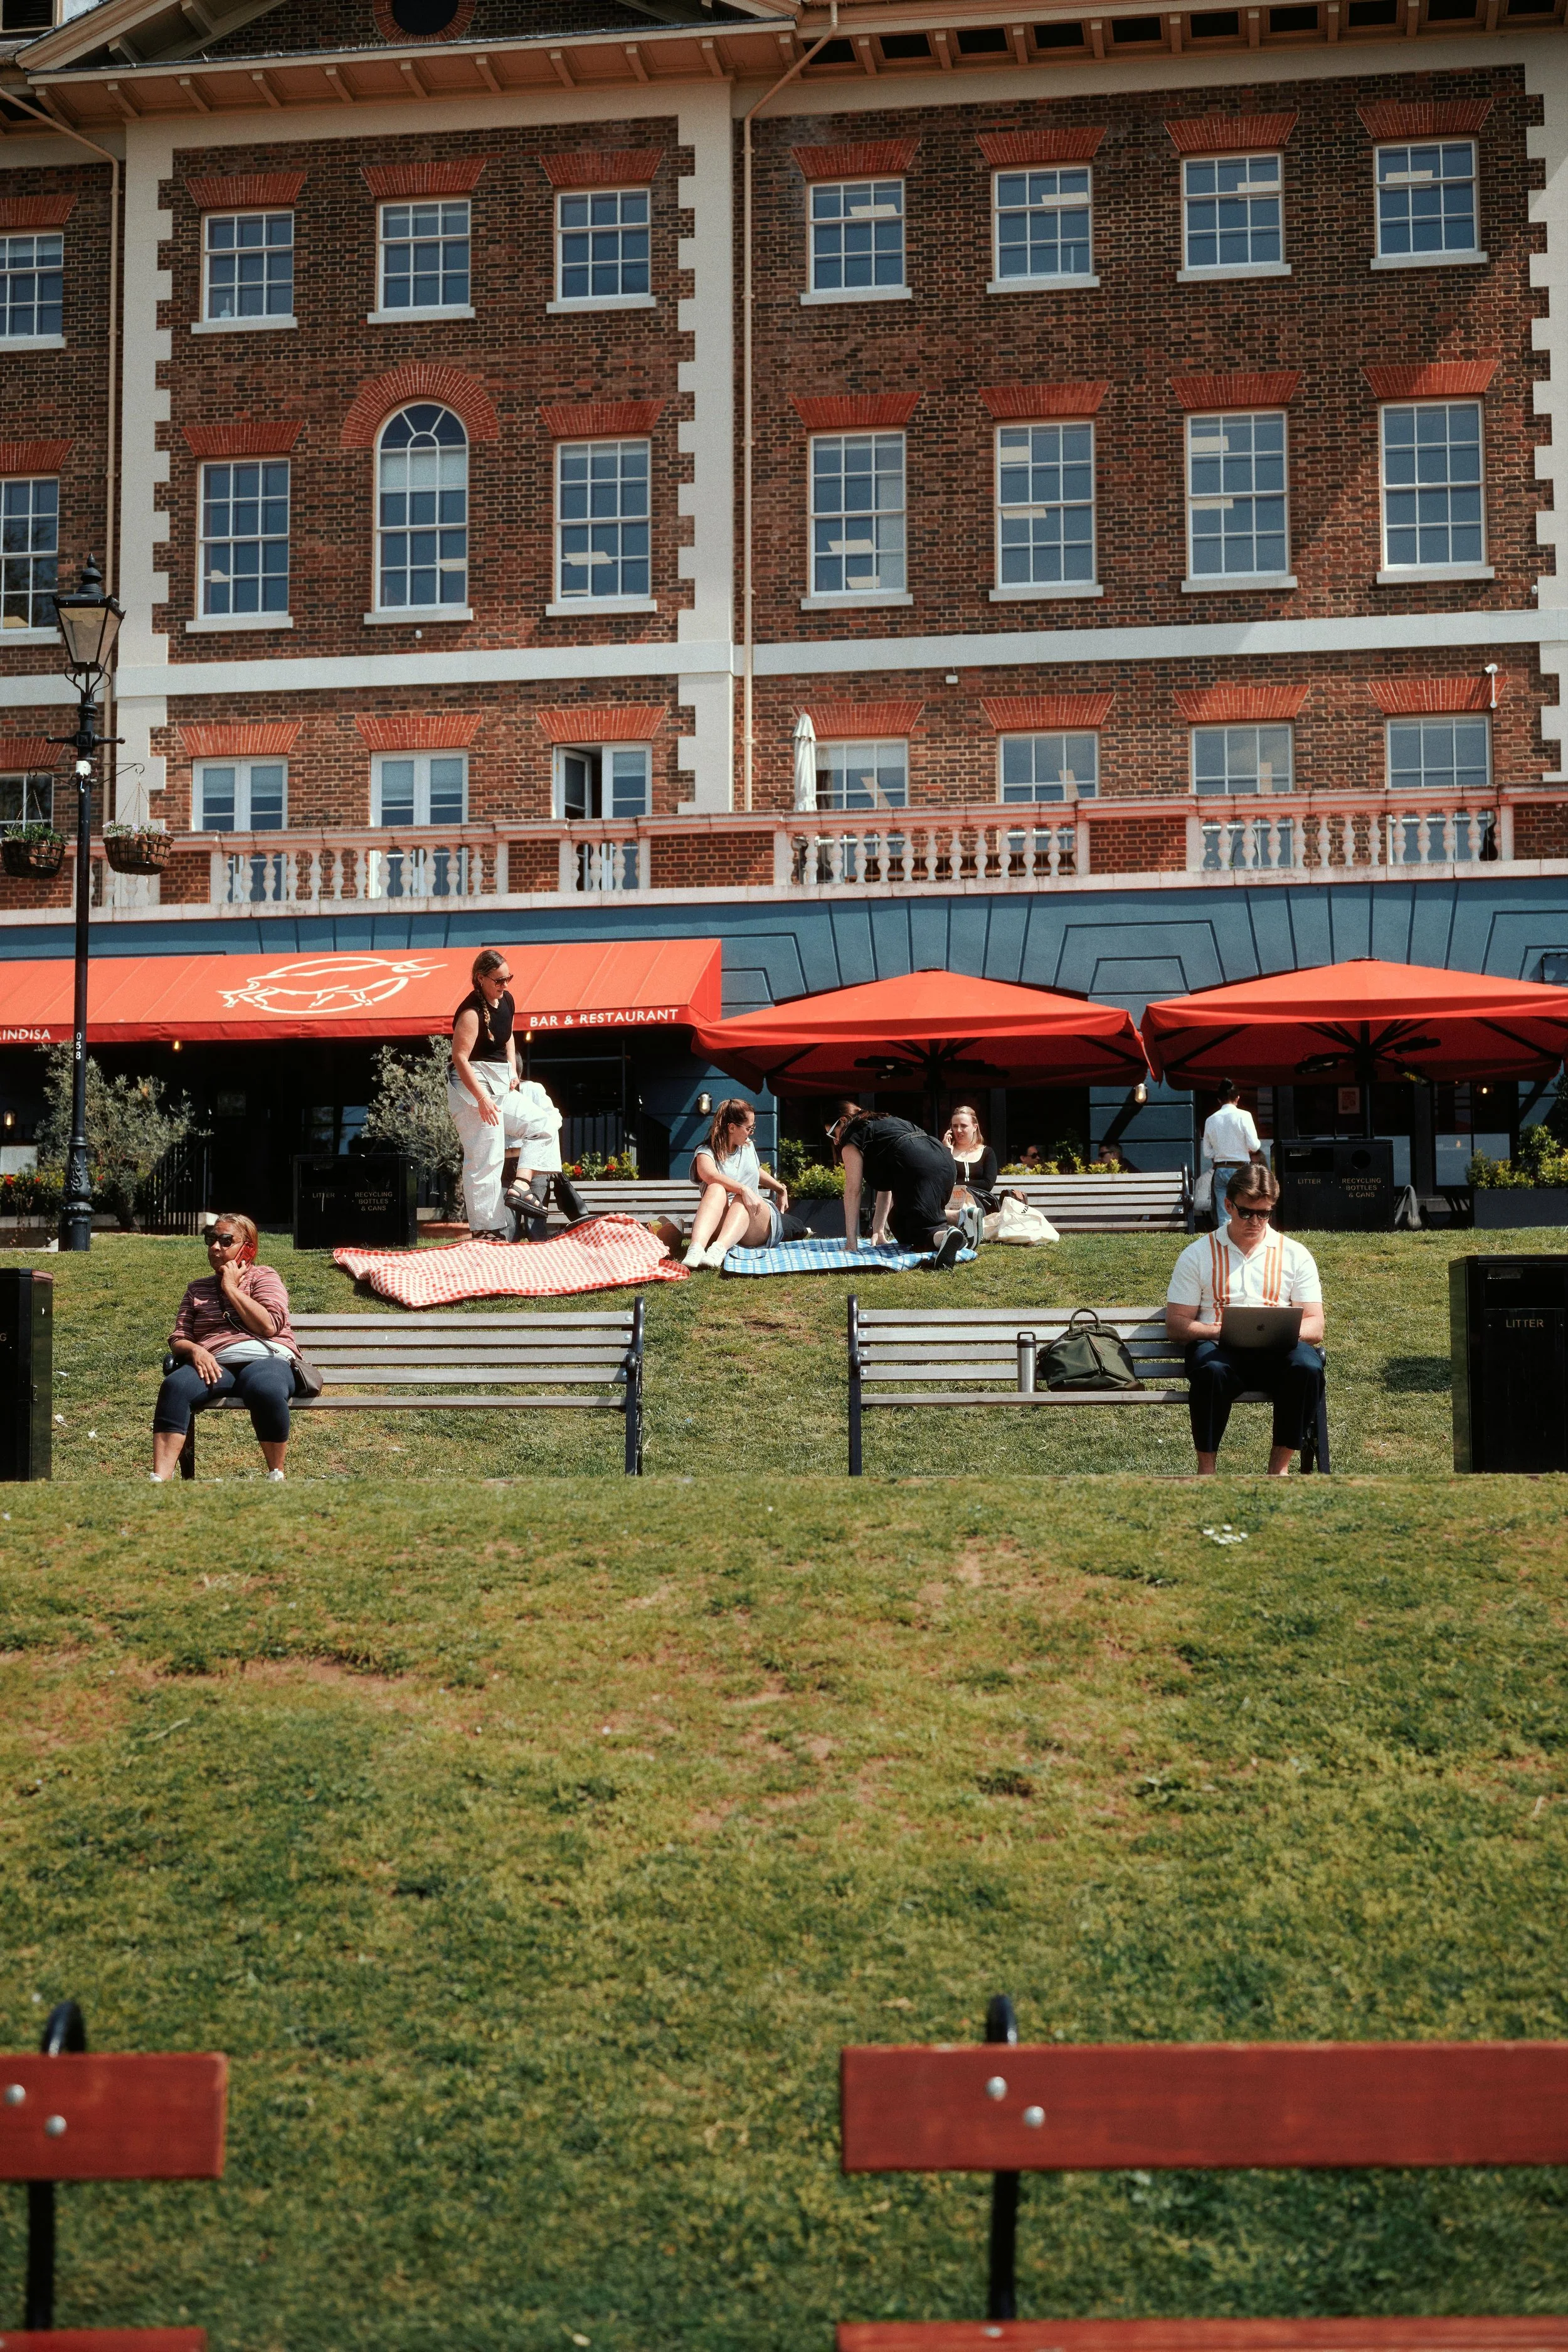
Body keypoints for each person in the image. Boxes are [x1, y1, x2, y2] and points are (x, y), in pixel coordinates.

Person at [1165, 1163, 1325, 1477]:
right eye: (1246, 1213)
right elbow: (1176, 1324)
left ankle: (1278, 1470)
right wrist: (1217, 1331)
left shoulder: (1295, 1254)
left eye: (1264, 1214)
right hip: (1219, 1350)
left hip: (1280, 1352)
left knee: (1307, 1367)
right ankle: (1207, 1471)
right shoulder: (1198, 1253)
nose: (1256, 1222)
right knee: (1210, 1371)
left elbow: (1316, 1324)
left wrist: (1287, 1333)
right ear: (1228, 1206)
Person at [151, 1214, 301, 1482]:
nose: (215, 1247)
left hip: (265, 1359)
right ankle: (160, 1480)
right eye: (212, 1240)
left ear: (249, 1248)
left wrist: (231, 1287)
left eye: (226, 1240)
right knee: (175, 1386)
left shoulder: (264, 1276)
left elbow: (269, 1325)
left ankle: (276, 1475)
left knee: (265, 1388)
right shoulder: (197, 1288)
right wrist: (196, 1351)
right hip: (214, 1362)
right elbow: (179, 1337)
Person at [827, 1101, 982, 1268]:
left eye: (832, 1134)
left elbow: (853, 1191)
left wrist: (851, 1245)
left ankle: (944, 1236)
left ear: (843, 1121)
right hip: (944, 1161)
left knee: (919, 1230)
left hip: (918, 1167)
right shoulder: (881, 1122)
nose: (835, 1141)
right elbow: (885, 1188)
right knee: (898, 1221)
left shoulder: (851, 1137)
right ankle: (963, 1217)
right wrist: (879, 1231)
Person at [447, 948, 535, 1240]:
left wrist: (512, 1070)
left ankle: (522, 1184)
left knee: (543, 1124)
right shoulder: (471, 1013)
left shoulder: (507, 1000)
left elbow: (508, 1035)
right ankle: (487, 1231)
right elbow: (460, 1058)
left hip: (498, 1079)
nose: (505, 984)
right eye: (499, 980)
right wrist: (482, 1099)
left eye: (508, 978)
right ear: (481, 979)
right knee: (486, 1158)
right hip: (471, 1082)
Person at [686, 1098, 790, 1268]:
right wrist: (743, 1189)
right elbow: (711, 1176)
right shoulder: (705, 1153)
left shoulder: (748, 1146)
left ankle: (718, 1250)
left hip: (754, 1222)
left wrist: (780, 1189)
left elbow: (756, 1170)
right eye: (749, 1128)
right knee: (717, 1188)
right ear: (732, 1128)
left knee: (742, 1199)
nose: (752, 1132)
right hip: (725, 1220)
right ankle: (696, 1249)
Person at [942, 1104, 1025, 1216]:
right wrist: (946, 1152)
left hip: (981, 1203)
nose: (958, 1130)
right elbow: (943, 1181)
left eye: (963, 1126)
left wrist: (957, 1184)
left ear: (975, 1127)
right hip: (951, 1204)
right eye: (955, 1126)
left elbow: (987, 1184)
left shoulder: (987, 1152)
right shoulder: (945, 1151)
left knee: (968, 1209)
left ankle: (968, 1221)